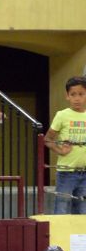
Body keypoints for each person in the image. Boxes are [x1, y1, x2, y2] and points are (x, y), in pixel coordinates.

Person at [43, 76, 86, 215]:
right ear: (67, 96)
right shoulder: (62, 115)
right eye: (73, 94)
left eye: (81, 94)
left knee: (82, 210)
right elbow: (47, 139)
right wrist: (60, 151)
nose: (77, 98)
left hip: (85, 172)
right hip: (66, 172)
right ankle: (59, 238)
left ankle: (80, 237)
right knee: (62, 208)